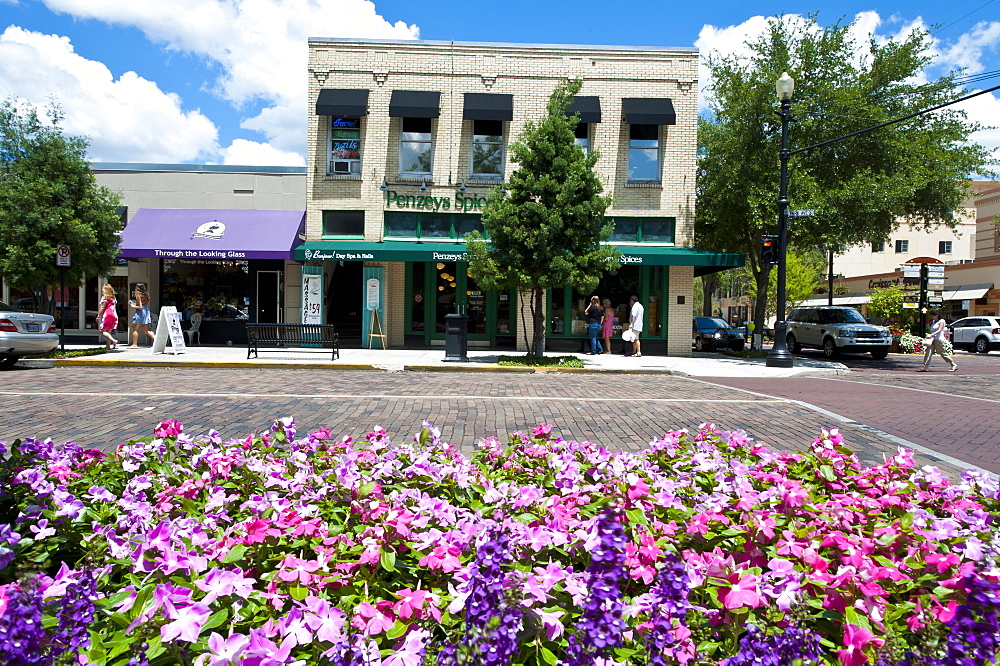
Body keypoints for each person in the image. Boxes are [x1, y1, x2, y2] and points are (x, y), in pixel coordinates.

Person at [128, 283, 152, 348]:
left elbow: (140, 307)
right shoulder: (147, 295)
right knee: (146, 330)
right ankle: (156, 339)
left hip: (140, 313)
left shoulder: (138, 295)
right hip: (146, 312)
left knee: (135, 329)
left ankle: (134, 344)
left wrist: (133, 306)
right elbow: (147, 305)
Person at [96, 284, 118, 350]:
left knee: (102, 331)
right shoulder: (113, 298)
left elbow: (102, 307)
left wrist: (98, 315)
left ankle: (113, 340)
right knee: (109, 331)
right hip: (114, 315)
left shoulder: (105, 297)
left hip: (107, 315)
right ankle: (108, 346)